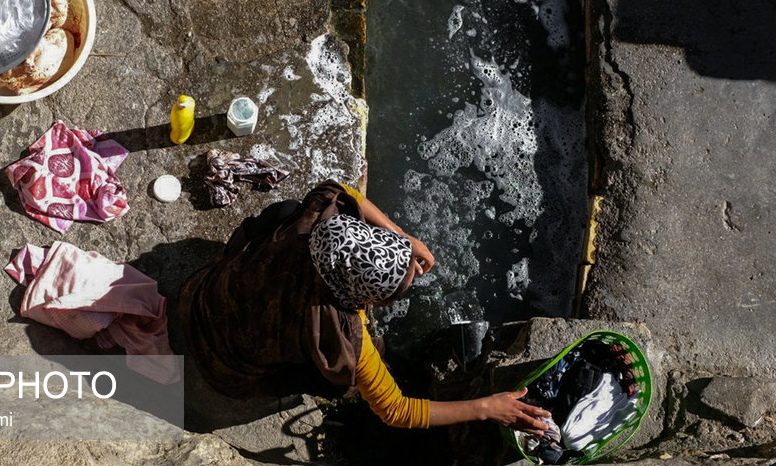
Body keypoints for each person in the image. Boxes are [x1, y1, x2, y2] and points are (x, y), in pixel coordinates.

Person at [178, 180, 550, 433]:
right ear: (365, 300)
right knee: (342, 380)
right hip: (225, 367)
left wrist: (404, 239)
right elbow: (397, 410)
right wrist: (486, 408)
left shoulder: (316, 220)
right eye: (398, 290)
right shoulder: (344, 335)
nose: (412, 279)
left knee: (285, 209)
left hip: (199, 295)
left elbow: (345, 190)